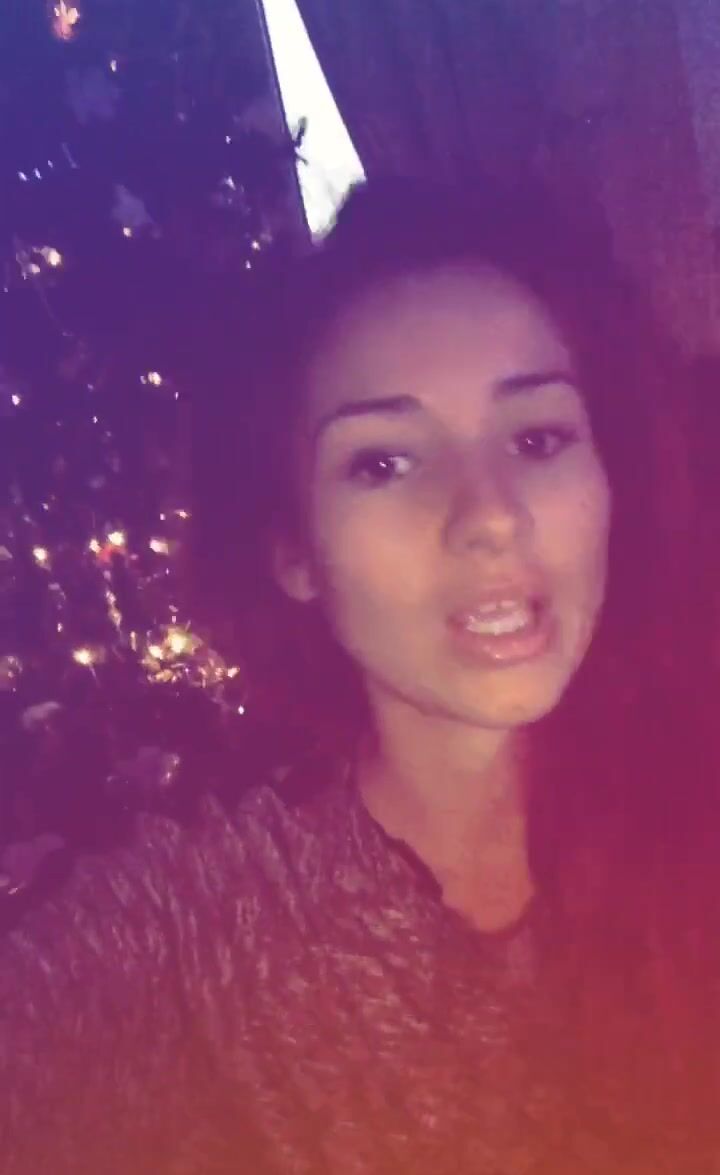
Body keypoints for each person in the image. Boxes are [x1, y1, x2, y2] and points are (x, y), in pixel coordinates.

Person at [1, 176, 719, 1175]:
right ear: (293, 548)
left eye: (538, 437)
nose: (490, 514)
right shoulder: (190, 945)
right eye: (382, 462)